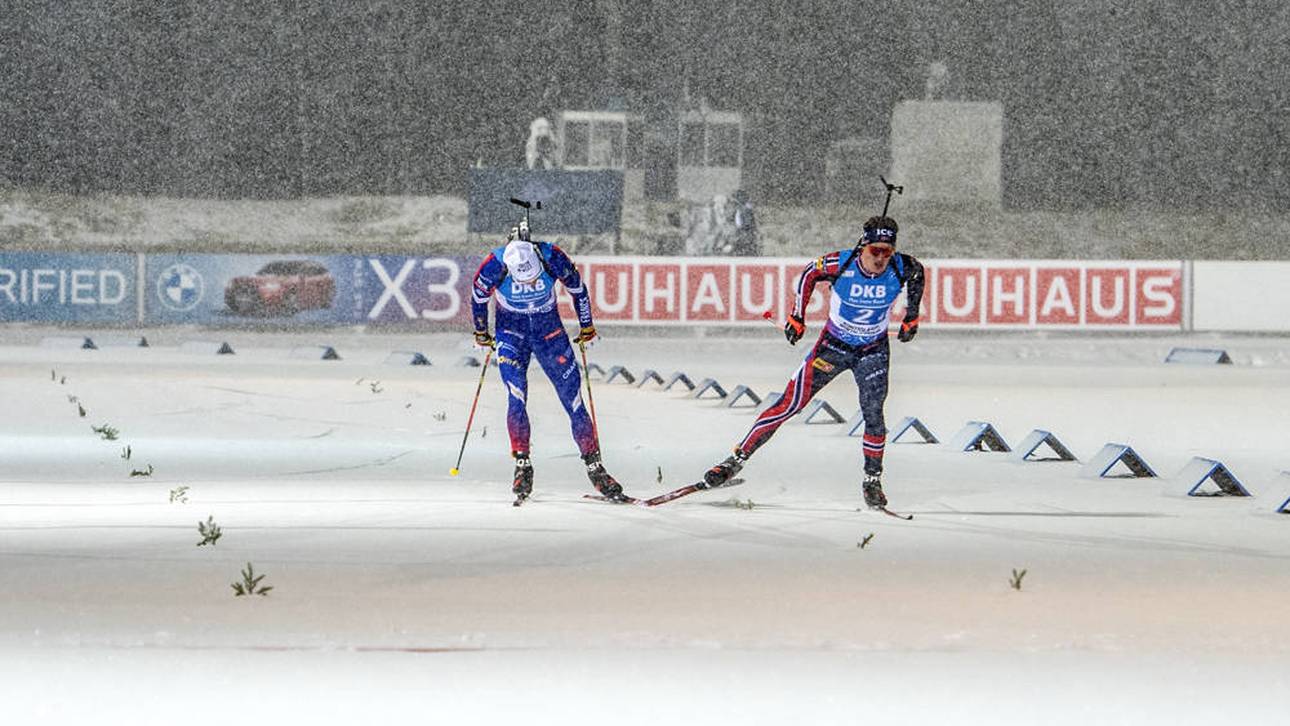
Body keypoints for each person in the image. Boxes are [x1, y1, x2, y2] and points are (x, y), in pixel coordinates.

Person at [701, 215, 925, 509]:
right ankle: (734, 460)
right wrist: (797, 315)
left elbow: (918, 275)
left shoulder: (902, 266)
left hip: (873, 351)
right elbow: (809, 273)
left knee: (873, 413)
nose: (881, 258)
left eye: (887, 251)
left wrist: (912, 317)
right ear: (863, 247)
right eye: (875, 251)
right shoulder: (841, 264)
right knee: (790, 403)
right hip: (832, 348)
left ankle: (872, 481)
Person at [470, 217, 624, 502]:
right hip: (511, 334)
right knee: (516, 396)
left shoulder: (552, 255)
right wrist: (481, 333)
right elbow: (478, 298)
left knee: (573, 399)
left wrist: (587, 327)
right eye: (522, 278)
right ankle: (522, 465)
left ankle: (595, 465)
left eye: (533, 276)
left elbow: (578, 289)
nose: (529, 281)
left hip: (549, 333)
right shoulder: (494, 263)